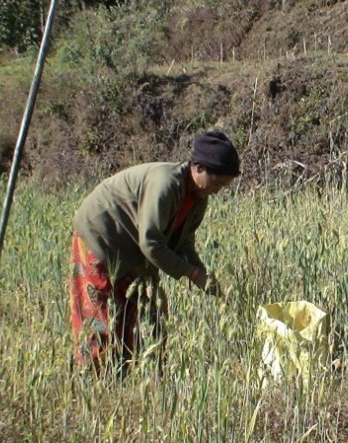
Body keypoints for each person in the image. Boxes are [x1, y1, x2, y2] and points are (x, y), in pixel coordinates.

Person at [69, 130, 241, 376]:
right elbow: (150, 243)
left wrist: (204, 275)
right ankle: (92, 378)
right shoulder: (166, 184)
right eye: (217, 183)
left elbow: (183, 244)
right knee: (99, 314)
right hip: (101, 237)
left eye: (224, 186)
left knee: (133, 313)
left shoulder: (199, 198)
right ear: (198, 167)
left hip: (132, 250)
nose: (218, 190)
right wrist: (191, 273)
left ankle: (121, 375)